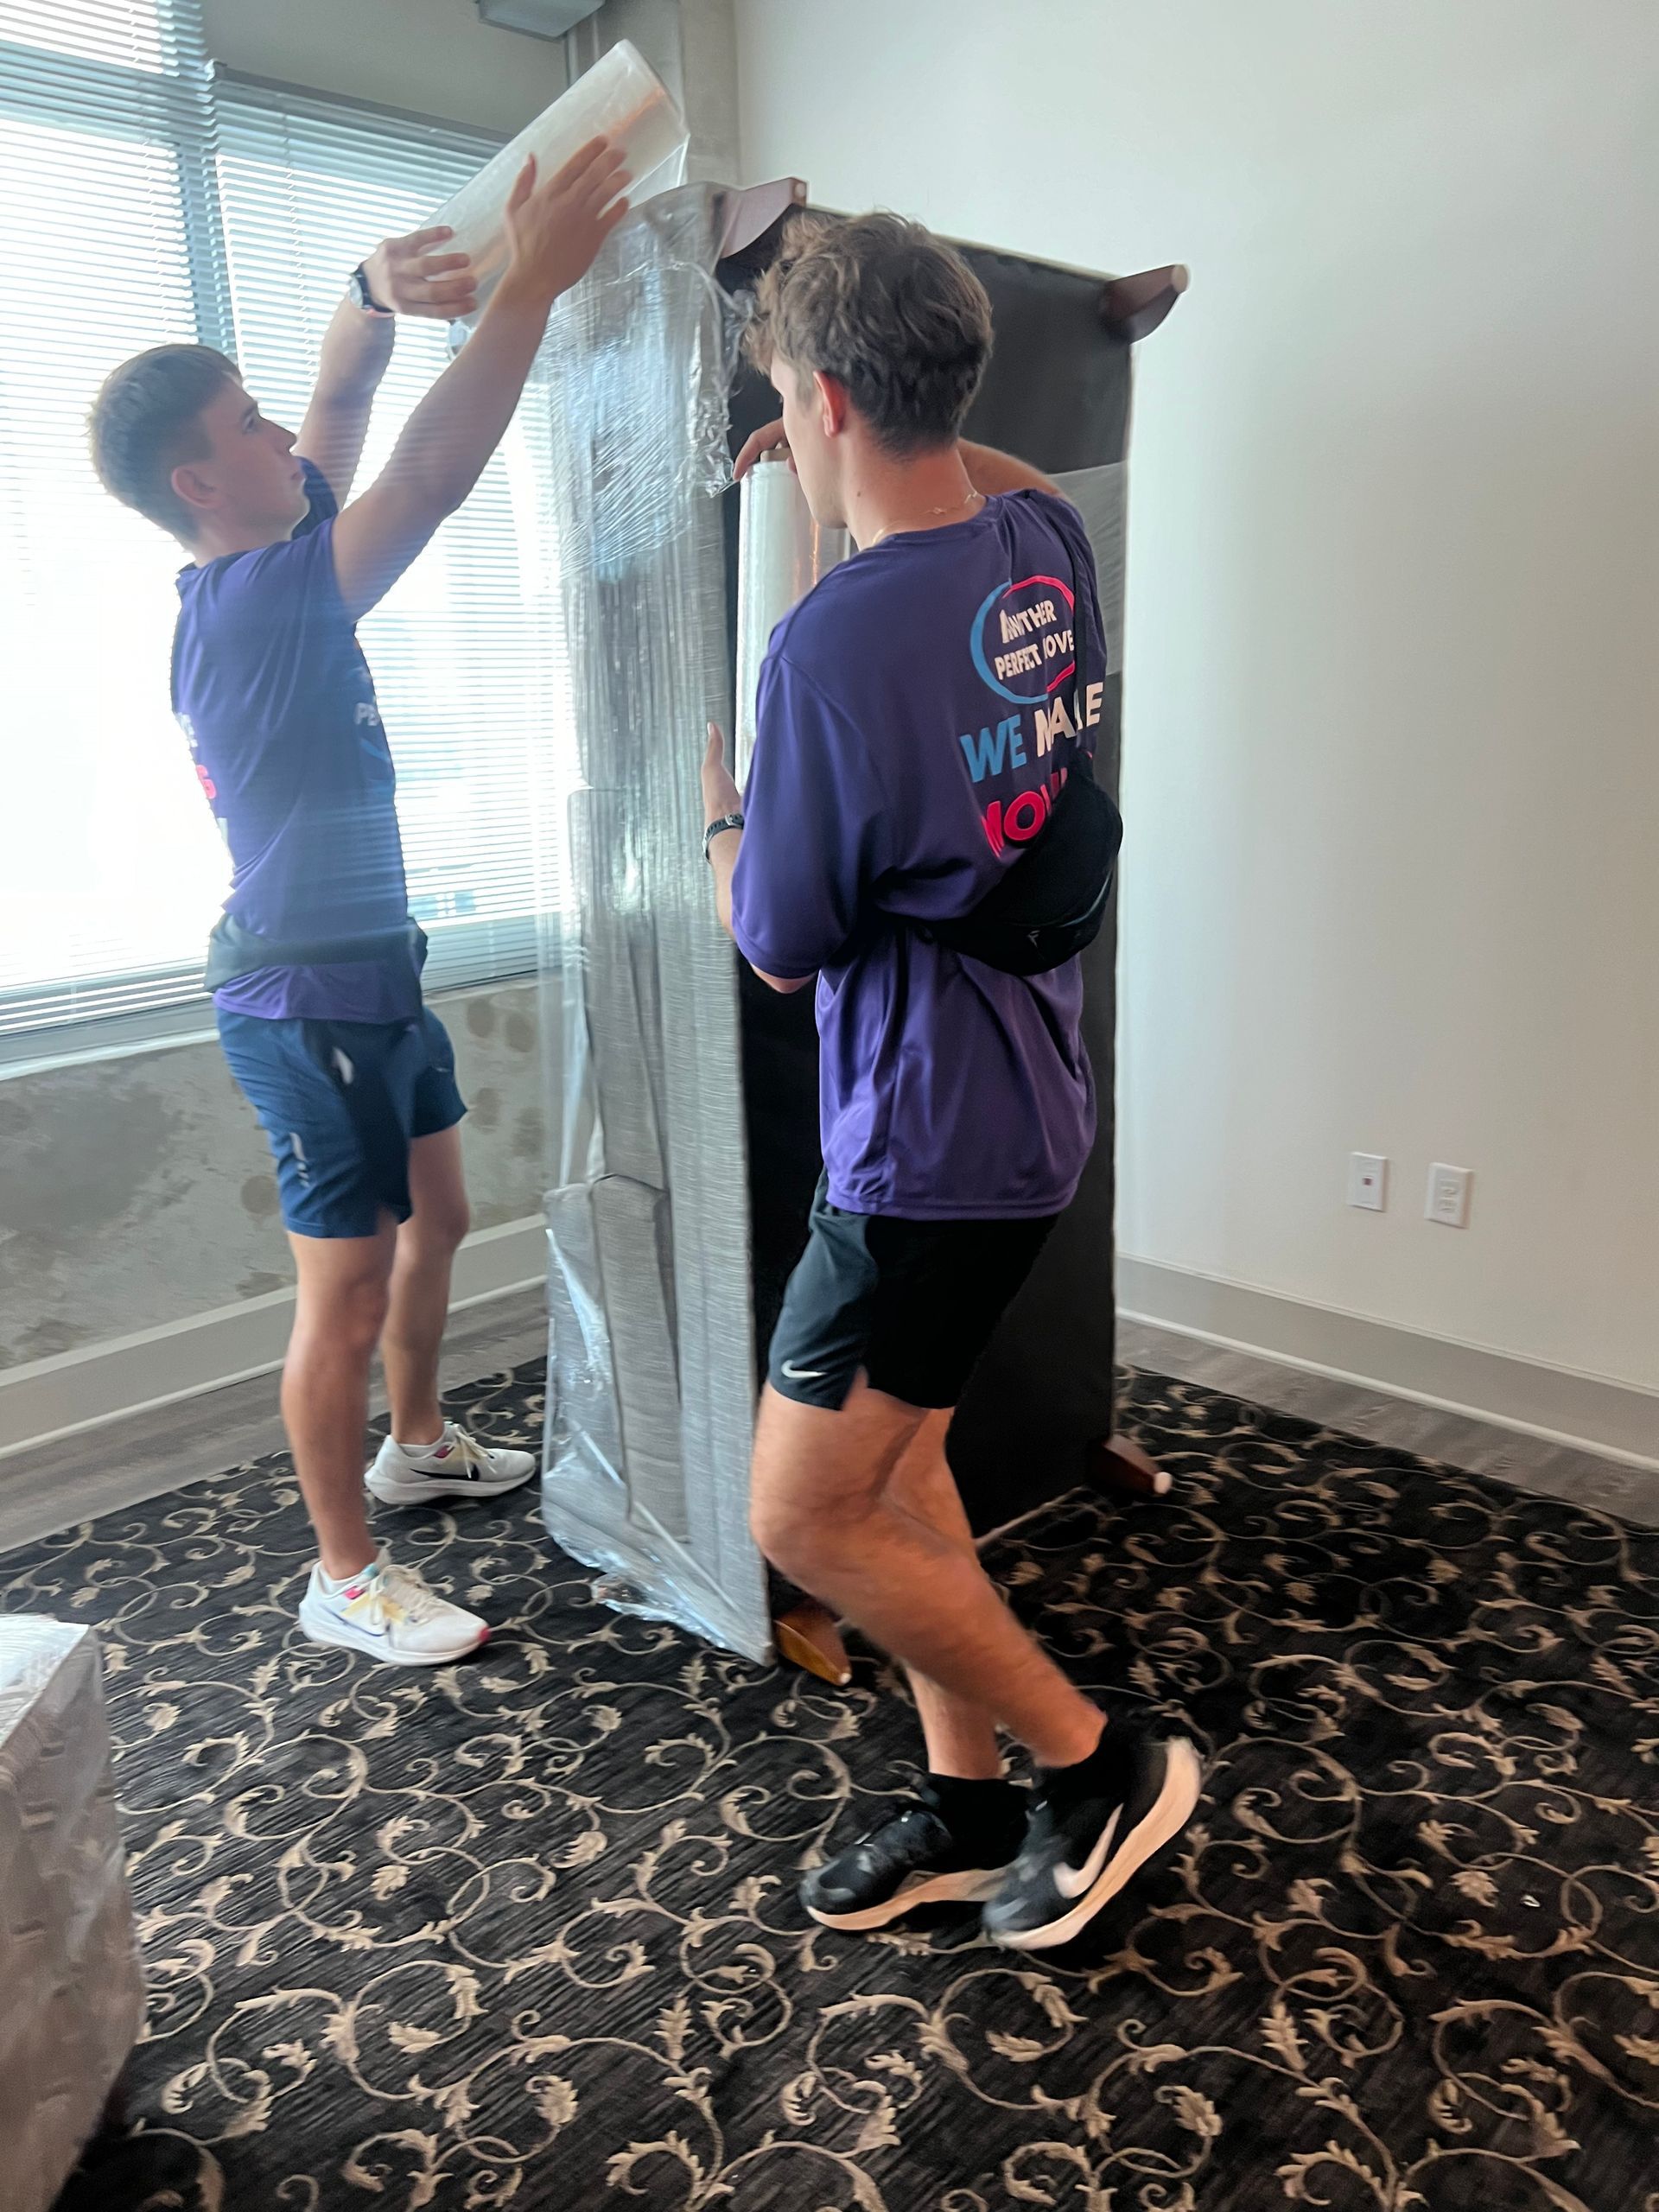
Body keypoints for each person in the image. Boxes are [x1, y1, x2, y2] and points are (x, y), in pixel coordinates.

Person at [702, 212, 1201, 1950]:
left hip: (920, 1145)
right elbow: (984, 469)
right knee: (900, 1474)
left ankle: (1097, 1760)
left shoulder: (828, 645)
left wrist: (720, 818)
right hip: (1020, 1112)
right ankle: (968, 1798)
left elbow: (775, 944)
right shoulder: (1043, 541)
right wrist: (861, 437)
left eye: (788, 387)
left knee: (805, 1507)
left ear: (826, 394)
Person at [90, 140, 630, 1667]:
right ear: (200, 479)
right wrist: (523, 292)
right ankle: (342, 1572)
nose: (285, 434)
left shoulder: (270, 539)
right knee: (340, 1297)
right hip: (300, 999)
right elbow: (432, 476)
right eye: (246, 424)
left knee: (441, 1215)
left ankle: (418, 1442)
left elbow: (339, 410)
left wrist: (363, 294)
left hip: (372, 971)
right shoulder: (255, 604)